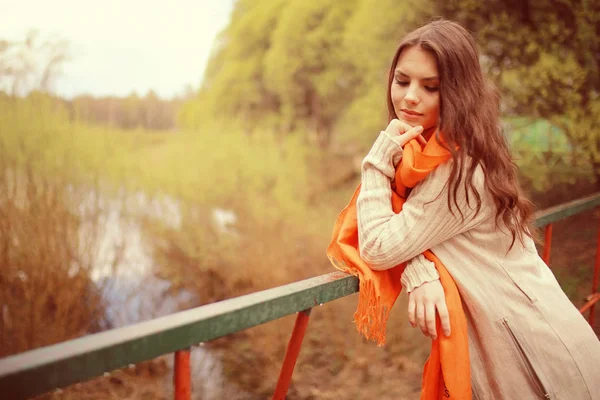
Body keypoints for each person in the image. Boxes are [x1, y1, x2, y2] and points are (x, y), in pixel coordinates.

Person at [327, 19, 600, 399]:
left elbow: (380, 246)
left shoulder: (460, 168)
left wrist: (375, 163)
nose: (409, 97)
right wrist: (419, 271)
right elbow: (416, 230)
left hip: (536, 357)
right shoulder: (433, 153)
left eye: (430, 87)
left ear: (457, 93)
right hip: (524, 337)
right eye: (402, 81)